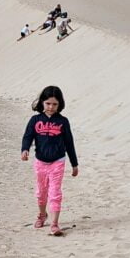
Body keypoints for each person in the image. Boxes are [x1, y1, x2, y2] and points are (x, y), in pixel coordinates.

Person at [20, 85, 79, 237]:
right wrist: (24, 149)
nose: (51, 107)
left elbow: (69, 143)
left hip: (57, 162)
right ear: (42, 103)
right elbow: (28, 136)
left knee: (55, 193)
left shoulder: (63, 122)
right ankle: (42, 215)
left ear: (60, 105)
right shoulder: (35, 120)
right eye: (48, 103)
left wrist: (74, 164)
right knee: (41, 192)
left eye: (54, 104)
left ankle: (54, 223)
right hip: (40, 162)